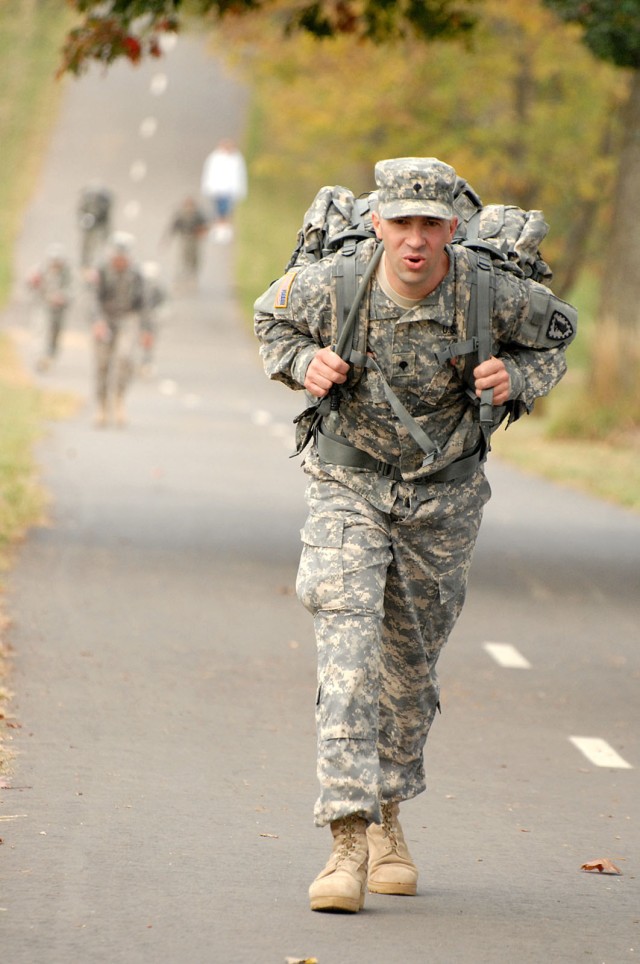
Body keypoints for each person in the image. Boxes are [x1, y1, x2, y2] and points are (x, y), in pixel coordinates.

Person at [253, 157, 577, 914]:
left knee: (408, 666)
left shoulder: (490, 292)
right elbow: (270, 320)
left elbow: (555, 338)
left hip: (444, 500)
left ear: (452, 231)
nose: (415, 241)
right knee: (347, 653)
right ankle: (345, 843)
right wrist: (306, 362)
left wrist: (518, 381)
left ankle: (391, 817)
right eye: (401, 223)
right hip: (347, 486)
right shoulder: (332, 285)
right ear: (378, 224)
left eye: (430, 225)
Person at [91, 232, 150, 428]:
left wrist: (146, 330)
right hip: (105, 319)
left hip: (127, 319)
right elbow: (93, 300)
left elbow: (143, 304)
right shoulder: (102, 272)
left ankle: (119, 400)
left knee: (125, 359)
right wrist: (98, 321)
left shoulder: (136, 274)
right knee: (102, 364)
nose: (119, 260)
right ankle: (101, 405)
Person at [26, 244, 73, 371]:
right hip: (42, 305)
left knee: (55, 334)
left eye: (58, 262)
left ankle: (50, 355)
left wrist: (63, 297)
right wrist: (32, 282)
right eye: (53, 261)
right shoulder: (40, 270)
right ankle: (40, 358)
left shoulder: (66, 273)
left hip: (58, 311)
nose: (55, 264)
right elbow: (29, 284)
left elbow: (72, 291)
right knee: (40, 330)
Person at [200, 139, 247, 243]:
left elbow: (240, 176)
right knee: (218, 210)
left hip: (229, 190)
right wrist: (209, 187)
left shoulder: (236, 159)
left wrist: (239, 190)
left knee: (227, 211)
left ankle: (225, 231)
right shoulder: (215, 158)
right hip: (217, 189)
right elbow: (210, 173)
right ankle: (218, 230)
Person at [163, 196, 209, 289]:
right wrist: (167, 240)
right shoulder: (180, 215)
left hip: (194, 239)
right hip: (184, 238)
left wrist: (201, 233)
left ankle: (193, 276)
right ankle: (182, 277)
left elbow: (205, 225)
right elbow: (174, 227)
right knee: (184, 257)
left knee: (194, 258)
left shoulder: (198, 215)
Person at [78, 183, 114, 268]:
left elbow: (105, 219)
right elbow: (80, 212)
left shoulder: (104, 202)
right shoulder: (86, 202)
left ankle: (105, 262)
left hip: (100, 225)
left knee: (106, 243)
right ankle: (86, 263)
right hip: (90, 227)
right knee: (87, 245)